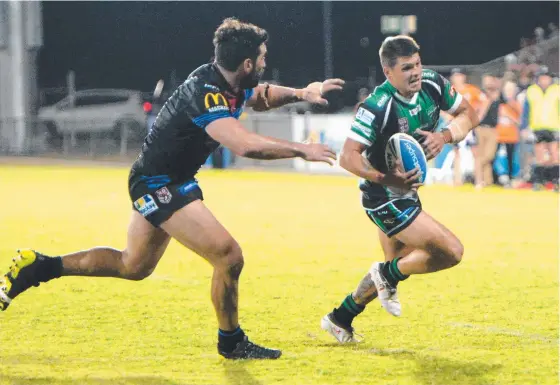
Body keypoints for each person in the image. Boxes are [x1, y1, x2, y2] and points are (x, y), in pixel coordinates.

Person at [0, 18, 344, 359]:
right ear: (247, 63)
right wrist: (302, 148)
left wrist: (301, 93)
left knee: (132, 266)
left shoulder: (227, 80)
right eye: (263, 58)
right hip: (158, 183)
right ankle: (232, 342)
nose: (267, 63)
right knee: (228, 256)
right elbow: (244, 145)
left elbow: (261, 95)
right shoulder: (205, 95)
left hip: (167, 179)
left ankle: (39, 267)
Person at [320, 35, 478, 343]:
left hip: (408, 193)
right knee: (450, 252)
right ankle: (384, 276)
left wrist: (444, 136)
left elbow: (470, 114)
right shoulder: (377, 106)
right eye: (407, 68)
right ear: (388, 72)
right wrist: (386, 179)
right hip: (383, 197)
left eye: (418, 63)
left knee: (399, 264)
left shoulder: (433, 85)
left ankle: (341, 318)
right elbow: (347, 156)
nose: (416, 72)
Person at [449, 68, 489, 186]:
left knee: (475, 152)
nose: (458, 78)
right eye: (456, 76)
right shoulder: (450, 91)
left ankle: (478, 181)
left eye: (459, 75)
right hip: (457, 125)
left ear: (463, 77)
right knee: (456, 152)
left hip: (469, 125)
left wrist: (479, 115)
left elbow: (485, 100)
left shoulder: (471, 90)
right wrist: (448, 116)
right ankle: (457, 180)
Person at [520, 67, 559, 190]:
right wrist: (524, 127)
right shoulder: (532, 91)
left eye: (546, 77)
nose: (544, 80)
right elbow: (526, 111)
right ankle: (539, 181)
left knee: (554, 154)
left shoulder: (557, 90)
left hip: (554, 126)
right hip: (537, 126)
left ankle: (555, 181)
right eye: (542, 77)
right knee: (539, 155)